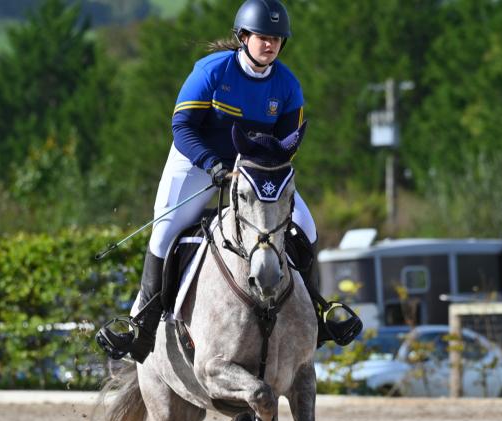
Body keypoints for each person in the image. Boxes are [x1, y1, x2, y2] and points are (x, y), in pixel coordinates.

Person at [96, 0, 359, 363]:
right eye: (263, 37)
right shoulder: (212, 71)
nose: (270, 45)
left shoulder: (287, 85)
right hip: (196, 161)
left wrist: (257, 174)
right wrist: (214, 165)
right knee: (166, 230)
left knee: (306, 226)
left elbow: (286, 147)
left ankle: (318, 313)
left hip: (253, 172)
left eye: (277, 39)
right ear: (243, 37)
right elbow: (182, 128)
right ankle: (141, 324)